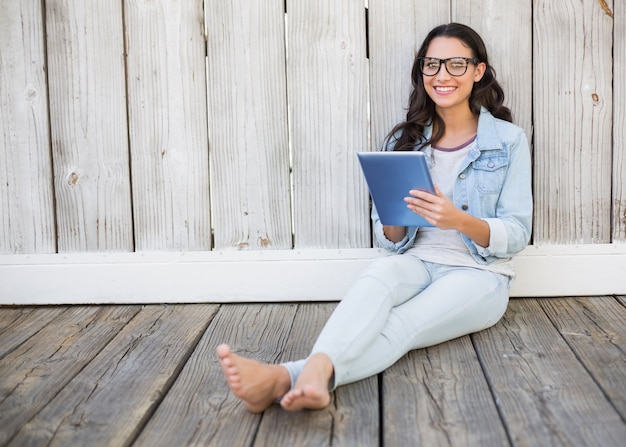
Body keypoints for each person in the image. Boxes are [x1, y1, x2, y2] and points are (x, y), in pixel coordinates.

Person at [217, 22, 533, 413]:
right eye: (431, 65)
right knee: (376, 277)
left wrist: (457, 219)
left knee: (403, 324)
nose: (442, 76)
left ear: (477, 71)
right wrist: (393, 215)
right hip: (415, 261)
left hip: (479, 275)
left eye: (455, 64)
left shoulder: (507, 140)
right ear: (421, 71)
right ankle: (309, 377)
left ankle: (290, 376)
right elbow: (391, 240)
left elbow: (518, 232)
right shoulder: (405, 142)